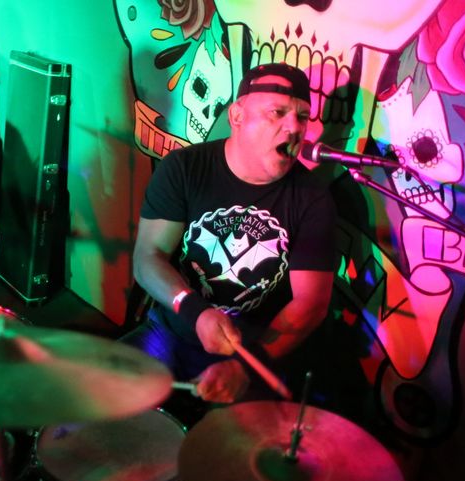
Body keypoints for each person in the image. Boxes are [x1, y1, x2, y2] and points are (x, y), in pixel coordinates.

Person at [123, 62, 337, 414]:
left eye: (302, 117)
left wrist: (246, 366)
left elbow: (310, 305)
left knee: (237, 445)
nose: (295, 127)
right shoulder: (185, 168)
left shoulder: (312, 198)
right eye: (278, 112)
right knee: (98, 406)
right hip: (173, 331)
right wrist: (196, 312)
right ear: (237, 116)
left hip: (253, 353)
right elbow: (148, 258)